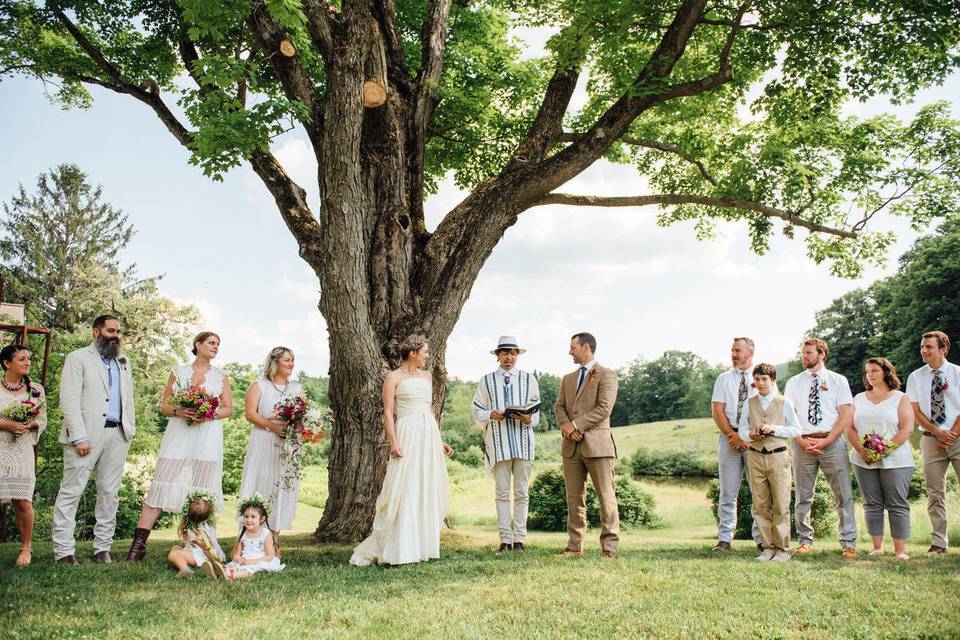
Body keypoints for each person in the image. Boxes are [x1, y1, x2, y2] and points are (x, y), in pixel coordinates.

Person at [127, 331, 233, 561]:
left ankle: (202, 545)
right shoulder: (179, 372)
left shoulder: (221, 376)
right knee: (161, 484)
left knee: (204, 490)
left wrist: (209, 414)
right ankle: (137, 546)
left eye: (218, 344)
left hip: (207, 436)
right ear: (198, 344)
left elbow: (228, 408)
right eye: (211, 343)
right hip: (178, 434)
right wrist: (179, 411)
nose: (216, 347)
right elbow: (164, 405)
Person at [350, 334, 453, 566]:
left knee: (424, 484)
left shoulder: (427, 376)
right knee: (403, 485)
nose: (428, 355)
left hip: (427, 433)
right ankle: (400, 546)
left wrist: (439, 441)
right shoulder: (393, 377)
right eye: (425, 351)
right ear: (413, 353)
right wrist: (393, 441)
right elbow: (388, 412)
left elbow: (429, 411)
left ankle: (422, 545)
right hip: (406, 431)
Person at [52, 315, 136, 565]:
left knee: (109, 494)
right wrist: (79, 436)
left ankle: (102, 548)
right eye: (110, 330)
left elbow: (127, 398)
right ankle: (64, 551)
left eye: (118, 331)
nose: (115, 335)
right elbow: (69, 400)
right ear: (95, 332)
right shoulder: (77, 358)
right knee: (72, 492)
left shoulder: (123, 361)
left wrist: (129, 429)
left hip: (118, 435)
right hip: (85, 436)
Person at [784, 338, 857, 558]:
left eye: (808, 353)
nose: (804, 357)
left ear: (821, 354)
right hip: (802, 442)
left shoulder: (838, 381)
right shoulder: (794, 382)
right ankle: (805, 540)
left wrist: (827, 440)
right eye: (803, 353)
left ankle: (848, 543)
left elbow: (845, 414)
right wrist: (801, 440)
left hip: (832, 442)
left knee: (843, 494)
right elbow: (789, 415)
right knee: (803, 495)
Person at [472, 335, 540, 553]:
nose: (509, 357)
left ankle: (519, 539)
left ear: (517, 355)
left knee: (522, 493)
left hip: (523, 442)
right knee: (502, 493)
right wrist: (490, 414)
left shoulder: (529, 379)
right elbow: (476, 409)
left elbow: (536, 410)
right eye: (505, 353)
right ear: (498, 356)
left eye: (513, 353)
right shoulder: (487, 380)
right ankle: (505, 540)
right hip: (499, 443)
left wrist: (529, 418)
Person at [555, 332, 620, 559]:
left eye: (573, 347)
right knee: (574, 499)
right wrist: (565, 426)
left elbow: (604, 409)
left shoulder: (607, 375)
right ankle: (575, 546)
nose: (569, 351)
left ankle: (609, 548)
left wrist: (575, 426)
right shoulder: (568, 378)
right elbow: (559, 407)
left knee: (606, 497)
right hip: (571, 448)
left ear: (586, 347)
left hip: (599, 447)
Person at [848, 357, 915, 560]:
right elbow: (849, 427)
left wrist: (883, 450)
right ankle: (877, 547)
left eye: (875, 370)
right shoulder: (858, 398)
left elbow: (907, 428)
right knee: (871, 503)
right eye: (868, 371)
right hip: (863, 460)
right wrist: (862, 450)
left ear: (886, 372)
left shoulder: (900, 398)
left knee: (897, 504)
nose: (870, 374)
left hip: (896, 460)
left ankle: (900, 550)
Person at [237, 346, 303, 551]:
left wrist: (298, 430)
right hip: (263, 441)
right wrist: (273, 426)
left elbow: (302, 415)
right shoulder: (259, 385)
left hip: (287, 447)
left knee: (280, 489)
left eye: (292, 360)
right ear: (275, 362)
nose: (291, 364)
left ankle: (273, 542)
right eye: (287, 360)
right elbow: (250, 414)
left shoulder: (297, 388)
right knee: (260, 486)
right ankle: (249, 539)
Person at [905, 330, 960, 555]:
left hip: (958, 437)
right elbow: (915, 410)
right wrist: (937, 432)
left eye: (929, 347)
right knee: (935, 493)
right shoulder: (916, 377)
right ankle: (939, 542)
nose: (924, 351)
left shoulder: (958, 373)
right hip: (930, 440)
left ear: (943, 349)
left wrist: (951, 434)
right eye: (922, 347)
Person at [744, 363, 801, 561]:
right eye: (757, 379)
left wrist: (775, 429)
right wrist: (751, 436)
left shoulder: (784, 402)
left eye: (764, 379)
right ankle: (767, 547)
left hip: (778, 455)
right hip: (755, 455)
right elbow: (742, 430)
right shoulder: (749, 403)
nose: (760, 383)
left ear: (773, 380)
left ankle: (783, 549)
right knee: (760, 504)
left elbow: (796, 430)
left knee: (781, 503)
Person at [709, 337, 761, 552]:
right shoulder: (723, 379)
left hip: (755, 441)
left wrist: (749, 436)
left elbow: (768, 408)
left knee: (759, 491)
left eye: (737, 350)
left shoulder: (762, 376)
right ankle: (724, 539)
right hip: (729, 438)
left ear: (750, 352)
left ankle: (762, 538)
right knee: (728, 492)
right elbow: (717, 410)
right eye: (732, 350)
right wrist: (732, 435)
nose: (733, 354)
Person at [0, 344, 47, 567]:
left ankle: (25, 549)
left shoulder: (35, 390)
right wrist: (6, 424)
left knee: (23, 501)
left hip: (22, 450)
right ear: (7, 363)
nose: (28, 362)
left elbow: (43, 419)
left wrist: (31, 423)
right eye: (22, 359)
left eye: (28, 358)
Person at [167, 491, 227, 578]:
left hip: (200, 555)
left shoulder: (193, 529)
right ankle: (205, 565)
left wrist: (214, 560)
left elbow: (204, 548)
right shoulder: (211, 524)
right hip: (208, 553)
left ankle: (186, 570)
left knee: (173, 554)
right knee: (175, 548)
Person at [224, 494, 284, 579]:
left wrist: (252, 561)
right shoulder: (242, 533)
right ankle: (224, 572)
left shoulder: (265, 534)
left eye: (253, 517)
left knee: (250, 569)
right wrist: (238, 559)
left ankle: (235, 575)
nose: (249, 520)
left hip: (260, 559)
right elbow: (236, 554)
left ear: (262, 519)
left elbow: (270, 556)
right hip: (245, 559)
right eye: (246, 516)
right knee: (234, 565)